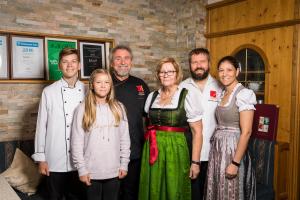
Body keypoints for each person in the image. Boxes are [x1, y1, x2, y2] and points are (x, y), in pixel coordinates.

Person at [139, 57, 203, 200]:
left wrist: (195, 162)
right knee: (154, 187)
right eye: (162, 72)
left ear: (177, 73)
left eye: (170, 71)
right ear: (158, 75)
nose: (166, 75)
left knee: (174, 187)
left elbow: (197, 132)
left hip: (176, 149)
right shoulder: (152, 96)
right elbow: (146, 123)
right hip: (152, 148)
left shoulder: (187, 95)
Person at [32, 48, 85, 200]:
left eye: (73, 61)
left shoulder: (88, 90)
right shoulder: (49, 92)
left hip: (80, 160)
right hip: (55, 158)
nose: (70, 65)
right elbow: (41, 126)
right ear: (59, 66)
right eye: (65, 62)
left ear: (79, 65)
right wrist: (41, 158)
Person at [71, 69, 131, 200]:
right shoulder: (82, 109)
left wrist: (124, 164)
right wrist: (81, 169)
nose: (103, 86)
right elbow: (76, 142)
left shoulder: (118, 108)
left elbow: (125, 140)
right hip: (91, 171)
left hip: (114, 170)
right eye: (99, 82)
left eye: (106, 82)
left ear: (110, 85)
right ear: (92, 85)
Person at [205, 56, 256, 200]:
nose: (224, 74)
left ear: (237, 71)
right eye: (221, 70)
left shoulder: (244, 94)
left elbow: (246, 132)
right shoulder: (223, 93)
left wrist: (235, 163)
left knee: (230, 190)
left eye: (229, 70)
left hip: (233, 148)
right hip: (218, 148)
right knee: (217, 189)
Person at [180, 48, 222, 200]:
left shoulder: (220, 86)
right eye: (194, 62)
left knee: (213, 193)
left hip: (215, 151)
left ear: (209, 63)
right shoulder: (181, 87)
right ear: (190, 65)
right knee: (192, 193)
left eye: (202, 61)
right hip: (190, 151)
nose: (198, 65)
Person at [110, 45, 150, 200]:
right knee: (111, 193)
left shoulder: (140, 85)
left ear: (131, 62)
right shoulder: (104, 84)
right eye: (118, 58)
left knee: (131, 192)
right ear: (112, 63)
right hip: (109, 151)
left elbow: (149, 118)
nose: (122, 62)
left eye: (126, 58)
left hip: (135, 150)